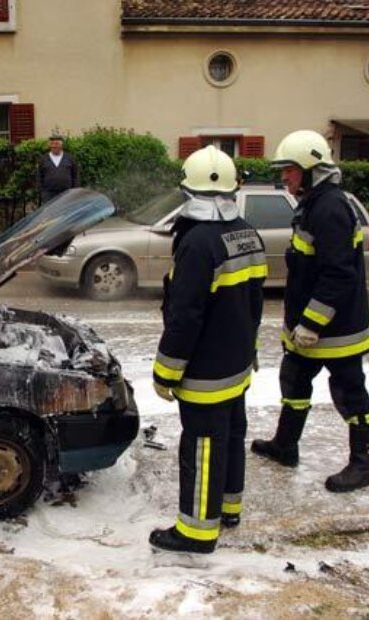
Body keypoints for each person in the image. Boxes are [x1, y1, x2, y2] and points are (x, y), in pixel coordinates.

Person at [150, 146, 267, 555]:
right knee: (232, 436)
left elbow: (185, 317)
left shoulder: (198, 243)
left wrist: (165, 371)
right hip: (237, 364)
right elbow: (255, 304)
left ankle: (197, 532)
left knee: (201, 444)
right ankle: (228, 507)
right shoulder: (247, 233)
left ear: (188, 190)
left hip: (205, 371)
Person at [251, 129, 369, 493]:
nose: (285, 177)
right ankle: (285, 446)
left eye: (290, 169)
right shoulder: (312, 204)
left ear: (311, 169)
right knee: (293, 383)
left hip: (337, 331)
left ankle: (363, 465)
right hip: (306, 329)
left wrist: (311, 322)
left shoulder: (330, 208)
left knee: (351, 395)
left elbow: (338, 274)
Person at [37, 131, 79, 204]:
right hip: (49, 195)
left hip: (67, 194)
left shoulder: (69, 158)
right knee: (51, 214)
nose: (54, 146)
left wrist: (74, 192)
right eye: (52, 144)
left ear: (61, 145)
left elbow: (75, 176)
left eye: (57, 144)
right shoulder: (43, 159)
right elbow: (39, 177)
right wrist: (42, 193)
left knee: (65, 213)